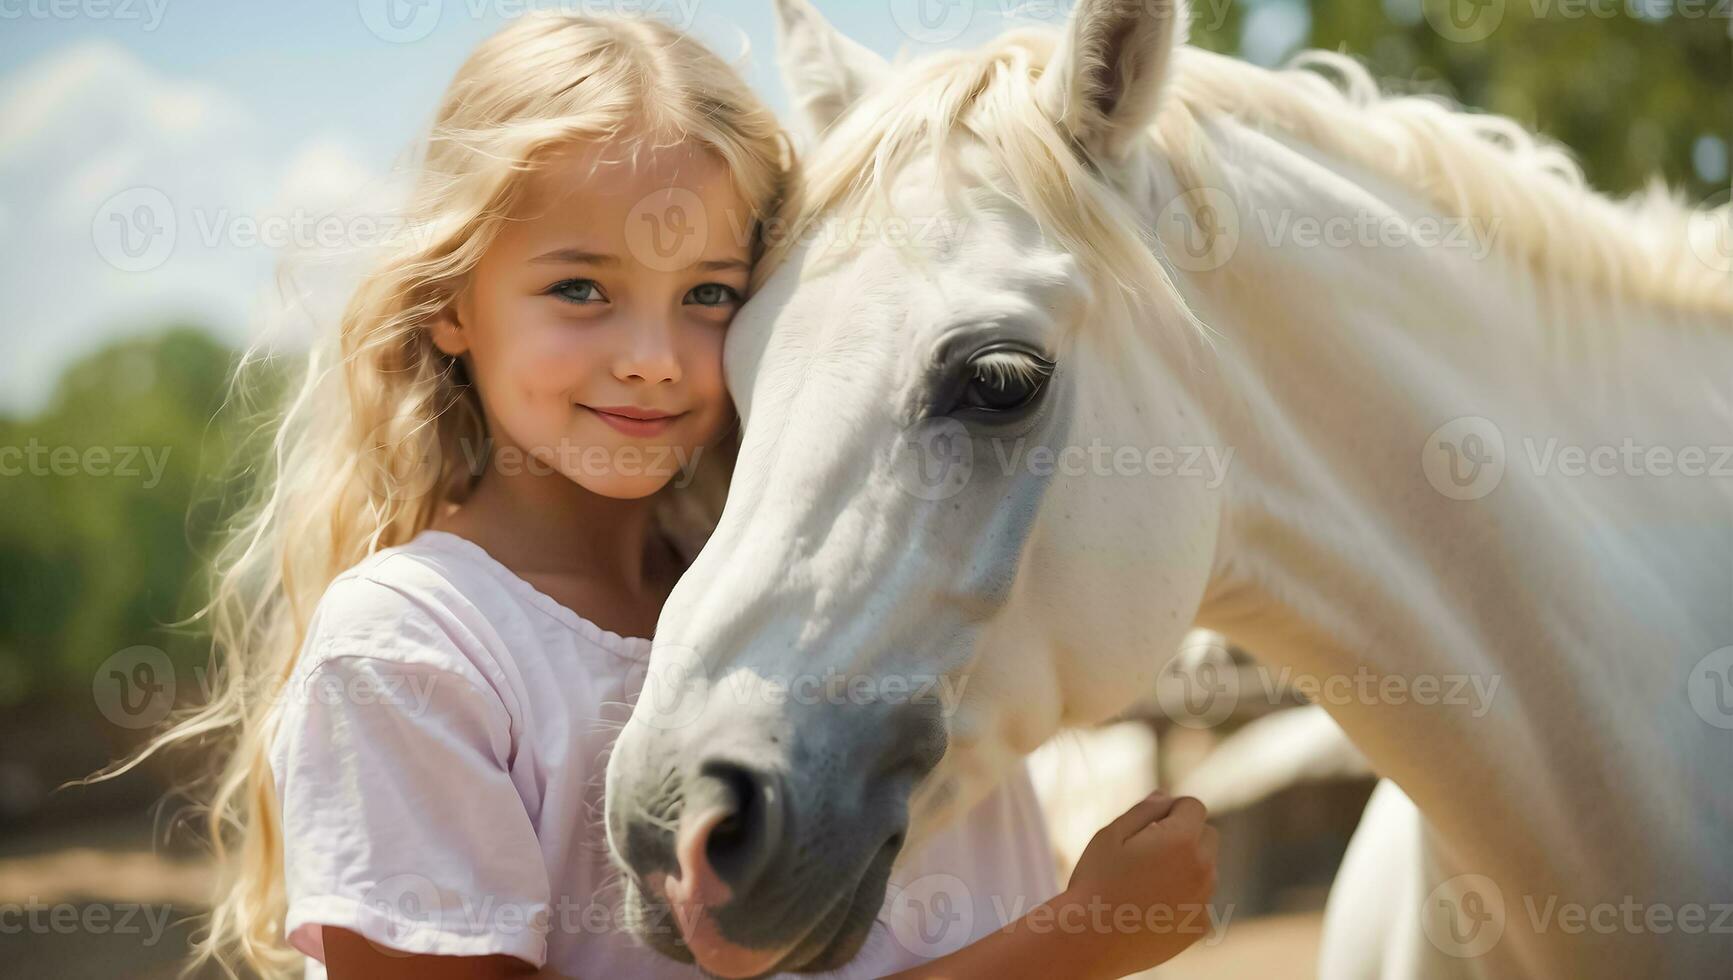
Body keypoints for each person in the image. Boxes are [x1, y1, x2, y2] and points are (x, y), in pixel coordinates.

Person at [136, 12, 1219, 979]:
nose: (652, 356)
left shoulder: (860, 589)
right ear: (449, 301)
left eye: (707, 292)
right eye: (579, 288)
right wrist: (1071, 944)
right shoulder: (411, 650)